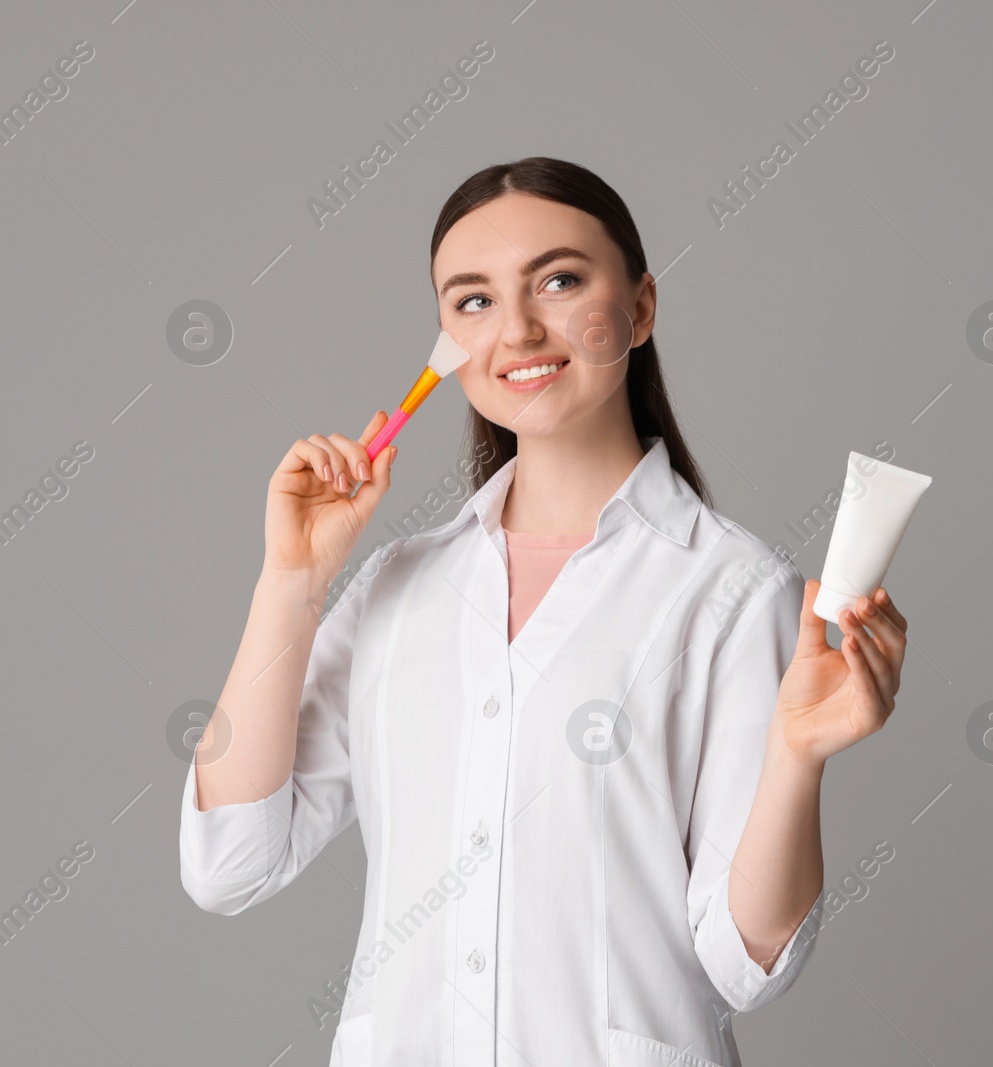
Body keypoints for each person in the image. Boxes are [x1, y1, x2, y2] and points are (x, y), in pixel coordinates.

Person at [178, 156, 910, 1066]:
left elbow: (744, 967)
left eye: (560, 281)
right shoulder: (395, 589)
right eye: (472, 301)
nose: (518, 329)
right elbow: (229, 863)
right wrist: (289, 581)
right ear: (446, 337)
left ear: (640, 307)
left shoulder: (731, 592)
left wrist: (798, 758)